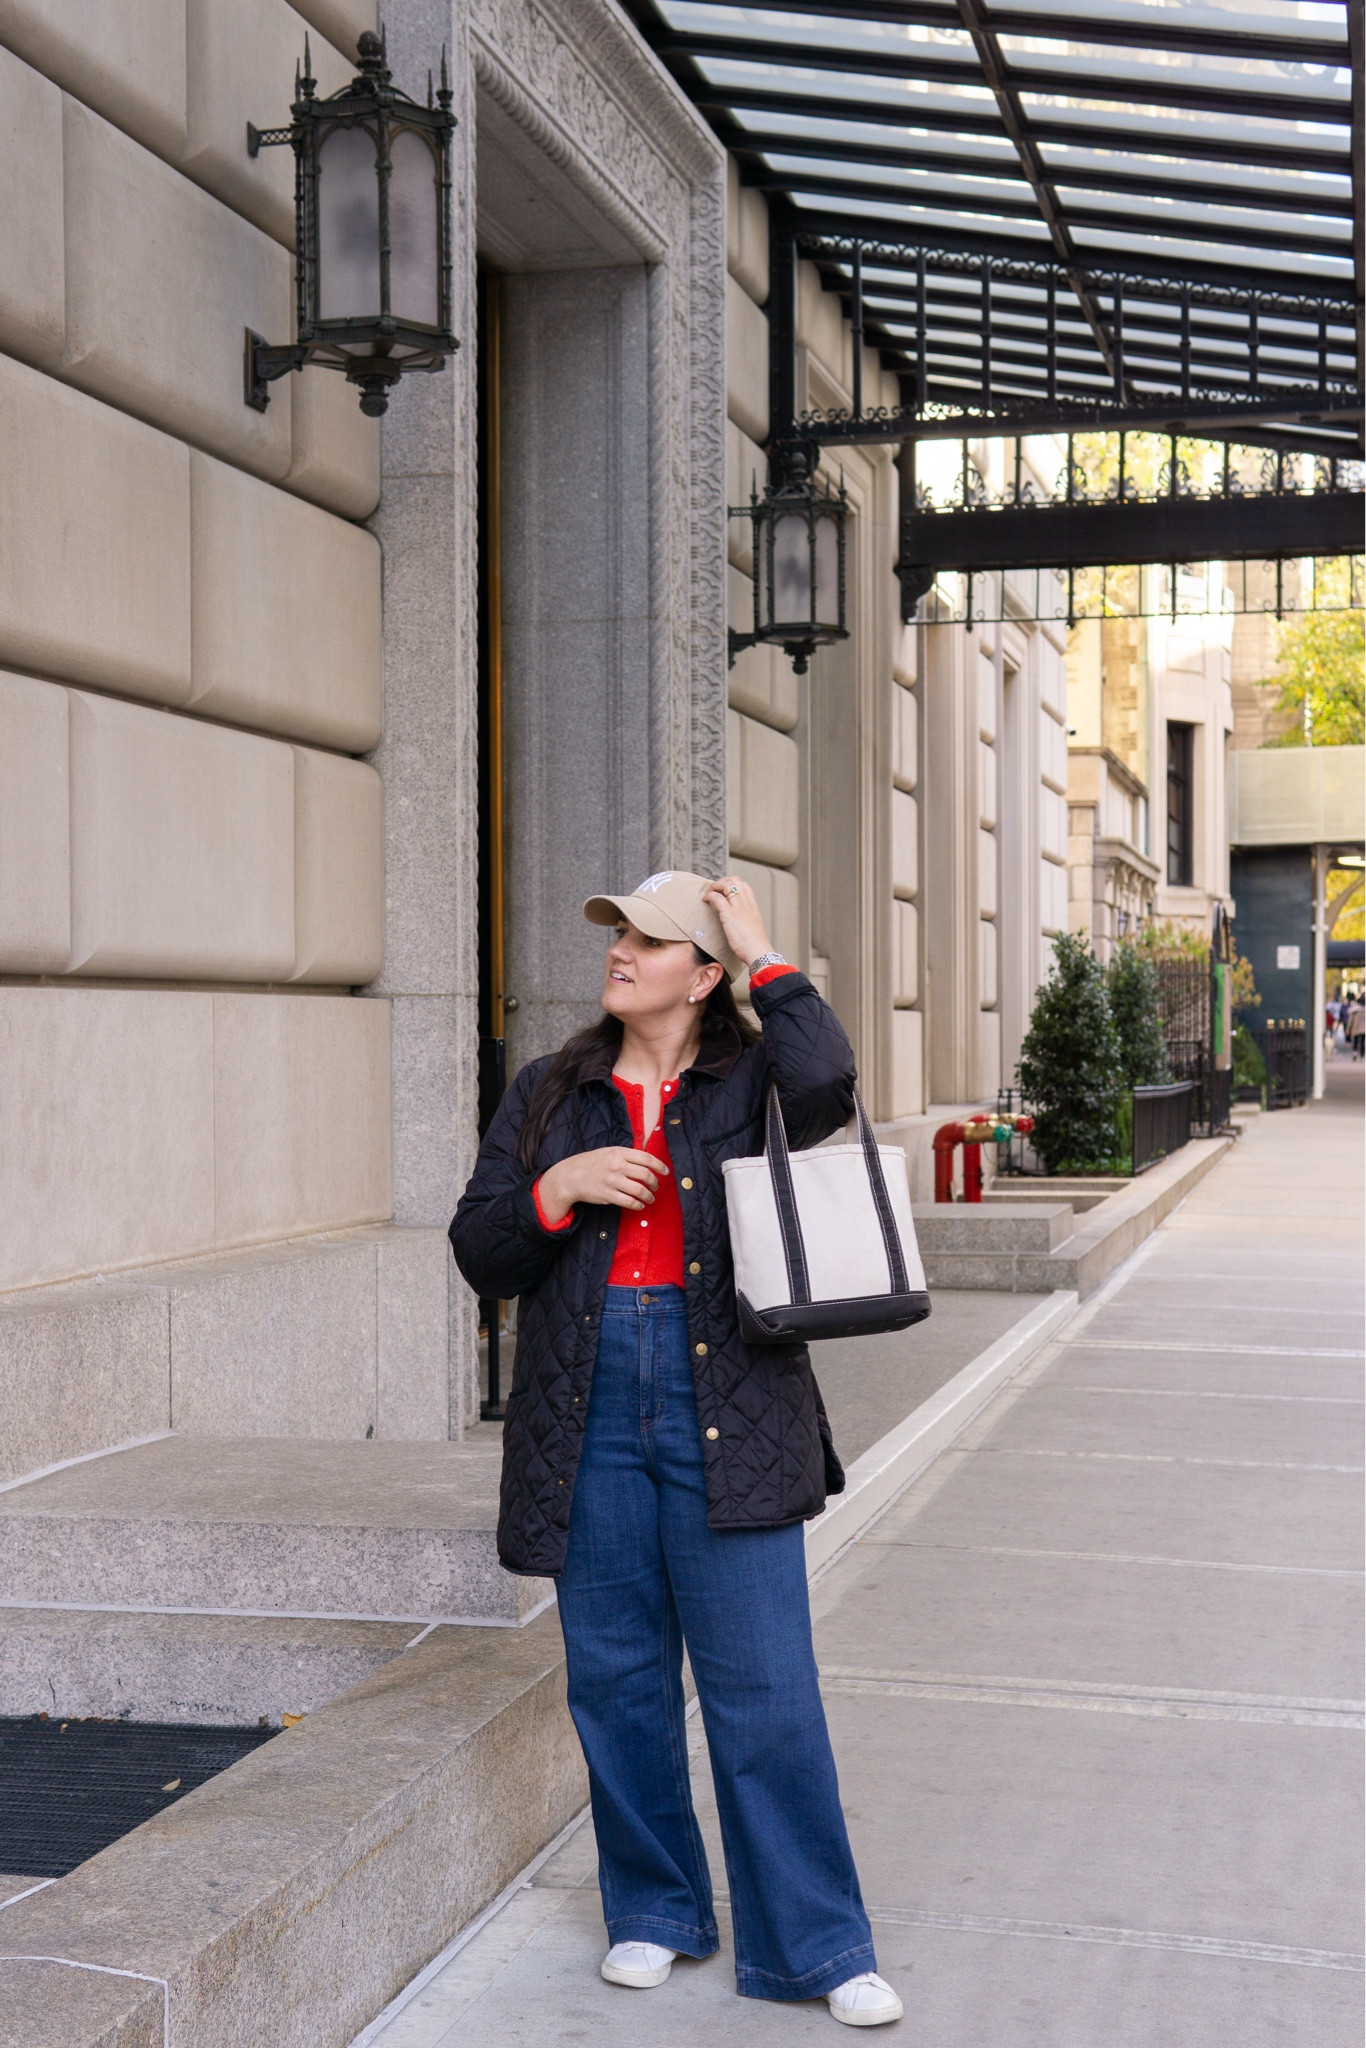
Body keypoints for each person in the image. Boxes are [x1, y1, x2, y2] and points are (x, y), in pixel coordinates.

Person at [450, 872, 902, 2028]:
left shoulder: (752, 1077)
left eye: (652, 939)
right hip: (585, 1398)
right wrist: (555, 1187)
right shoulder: (556, 1087)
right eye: (619, 933)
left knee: (764, 1686)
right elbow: (482, 1246)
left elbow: (829, 1078)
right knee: (617, 1679)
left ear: (699, 975)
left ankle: (814, 1944)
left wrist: (759, 946)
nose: (622, 951)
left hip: (729, 1395)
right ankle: (655, 1908)